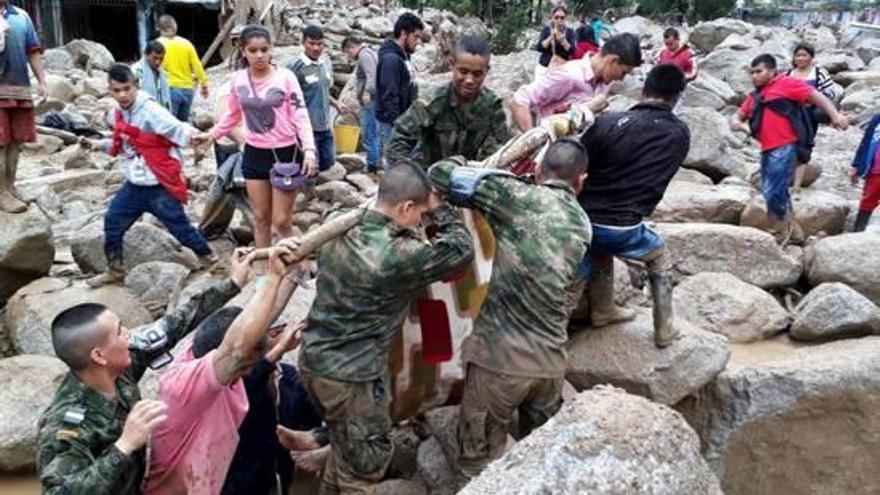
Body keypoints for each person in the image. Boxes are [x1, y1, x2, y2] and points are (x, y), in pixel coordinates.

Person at [292, 163, 474, 493]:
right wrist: (438, 208)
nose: (421, 220)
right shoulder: (397, 256)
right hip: (352, 380)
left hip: (315, 362)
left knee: (346, 449)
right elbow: (460, 251)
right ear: (406, 207)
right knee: (364, 470)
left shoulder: (339, 229)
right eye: (418, 213)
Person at [426, 139, 591, 484]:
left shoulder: (517, 197)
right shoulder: (583, 224)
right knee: (539, 461)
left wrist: (464, 161)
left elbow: (440, 174)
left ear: (537, 171)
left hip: (500, 365)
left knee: (476, 464)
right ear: (581, 181)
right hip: (550, 367)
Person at [36, 250, 252, 494]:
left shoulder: (121, 364)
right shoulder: (65, 425)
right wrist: (124, 446)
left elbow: (172, 325)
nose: (128, 334)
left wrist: (233, 283)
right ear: (98, 355)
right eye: (119, 331)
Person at [142, 247, 296, 494]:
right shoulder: (185, 384)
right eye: (246, 366)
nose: (246, 373)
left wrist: (291, 276)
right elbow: (239, 346)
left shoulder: (205, 349)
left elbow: (252, 325)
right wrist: (273, 277)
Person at [578, 64, 691, 347]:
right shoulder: (680, 134)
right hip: (626, 227)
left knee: (596, 251)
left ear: (643, 91)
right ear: (677, 97)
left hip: (582, 224)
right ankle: (663, 328)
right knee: (659, 256)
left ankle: (600, 309)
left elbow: (577, 165)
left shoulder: (607, 123)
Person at [82, 64, 216, 288]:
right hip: (135, 186)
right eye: (117, 90)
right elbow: (124, 145)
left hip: (159, 185)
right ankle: (115, 270)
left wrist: (197, 138)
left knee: (181, 228)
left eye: (127, 89)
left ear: (136, 86)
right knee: (112, 223)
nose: (123, 95)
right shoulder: (120, 113)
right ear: (109, 91)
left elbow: (177, 128)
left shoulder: (151, 110)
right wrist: (96, 145)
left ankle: (212, 262)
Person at [198, 26, 317, 249]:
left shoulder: (286, 78)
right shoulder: (237, 80)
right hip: (253, 154)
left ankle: (292, 265)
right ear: (243, 51)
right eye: (253, 50)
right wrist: (211, 135)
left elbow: (300, 114)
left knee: (281, 221)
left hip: (286, 153)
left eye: (264, 49)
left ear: (272, 49)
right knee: (261, 218)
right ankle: (263, 268)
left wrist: (309, 150)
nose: (259, 55)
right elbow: (232, 115)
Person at [731, 54, 847, 237]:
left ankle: (778, 229)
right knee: (777, 190)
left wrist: (835, 116)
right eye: (752, 73)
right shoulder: (756, 96)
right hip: (766, 149)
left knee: (771, 191)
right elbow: (738, 115)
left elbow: (817, 96)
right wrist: (739, 124)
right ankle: (792, 230)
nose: (755, 76)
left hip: (785, 146)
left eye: (759, 71)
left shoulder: (788, 83)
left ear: (772, 71)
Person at [386, 36, 511, 169]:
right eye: (463, 72)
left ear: (487, 71)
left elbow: (500, 153)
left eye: (477, 74)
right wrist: (414, 177)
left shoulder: (492, 107)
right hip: (430, 178)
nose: (469, 80)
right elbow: (398, 140)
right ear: (452, 65)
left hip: (471, 179)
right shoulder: (432, 102)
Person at [511, 33, 642, 131]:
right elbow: (520, 99)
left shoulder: (603, 85)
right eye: (623, 72)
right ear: (613, 60)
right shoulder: (569, 75)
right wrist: (532, 143)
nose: (621, 79)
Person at [0, 0, 47, 213]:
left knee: (16, 142)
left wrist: (42, 81)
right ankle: (1, 193)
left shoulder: (21, 16)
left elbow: (32, 50)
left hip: (19, 88)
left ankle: (10, 186)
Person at [288, 25, 346, 172]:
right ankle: (308, 192)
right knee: (310, 167)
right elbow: (287, 97)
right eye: (311, 43)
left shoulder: (324, 63)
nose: (316, 48)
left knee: (328, 162)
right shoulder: (295, 67)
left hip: (325, 125)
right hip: (306, 128)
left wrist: (336, 103)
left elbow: (323, 89)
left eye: (319, 44)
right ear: (303, 43)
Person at [786, 42, 841, 189]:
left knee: (804, 147)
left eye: (804, 55)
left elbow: (831, 92)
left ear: (811, 57)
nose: (801, 58)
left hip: (810, 115)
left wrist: (813, 99)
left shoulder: (819, 73)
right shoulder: (789, 74)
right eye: (798, 55)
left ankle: (796, 185)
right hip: (791, 114)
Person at [376, 13, 424, 162]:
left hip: (402, 123)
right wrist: (399, 126)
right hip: (393, 125)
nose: (418, 42)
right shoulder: (391, 59)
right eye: (415, 37)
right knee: (395, 168)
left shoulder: (403, 57)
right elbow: (389, 95)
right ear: (403, 34)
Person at [157, 14, 209, 122]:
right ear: (174, 26)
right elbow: (197, 66)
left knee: (170, 122)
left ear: (159, 28)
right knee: (183, 124)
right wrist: (204, 85)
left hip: (169, 89)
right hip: (188, 89)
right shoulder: (186, 44)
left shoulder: (157, 45)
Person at [343, 36, 380, 173]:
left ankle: (372, 165)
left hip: (370, 100)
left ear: (352, 47)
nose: (349, 56)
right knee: (374, 131)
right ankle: (376, 161)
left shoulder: (364, 55)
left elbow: (372, 75)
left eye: (348, 53)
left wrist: (366, 92)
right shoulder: (369, 52)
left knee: (369, 131)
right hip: (374, 99)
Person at [850, 113, 880, 232]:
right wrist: (856, 165)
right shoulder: (877, 119)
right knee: (868, 200)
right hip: (875, 169)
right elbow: (866, 142)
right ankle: (858, 230)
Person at [534, 6, 576, 79]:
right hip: (544, 67)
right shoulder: (546, 29)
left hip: (560, 69)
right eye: (556, 17)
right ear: (552, 17)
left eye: (562, 17)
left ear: (566, 18)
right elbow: (539, 47)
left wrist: (563, 41)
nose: (559, 20)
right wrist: (551, 37)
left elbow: (572, 51)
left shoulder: (570, 32)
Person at [133, 41, 172, 110]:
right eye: (155, 58)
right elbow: (134, 94)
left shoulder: (162, 73)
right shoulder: (137, 70)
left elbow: (166, 97)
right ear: (146, 55)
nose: (158, 62)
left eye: (161, 59)